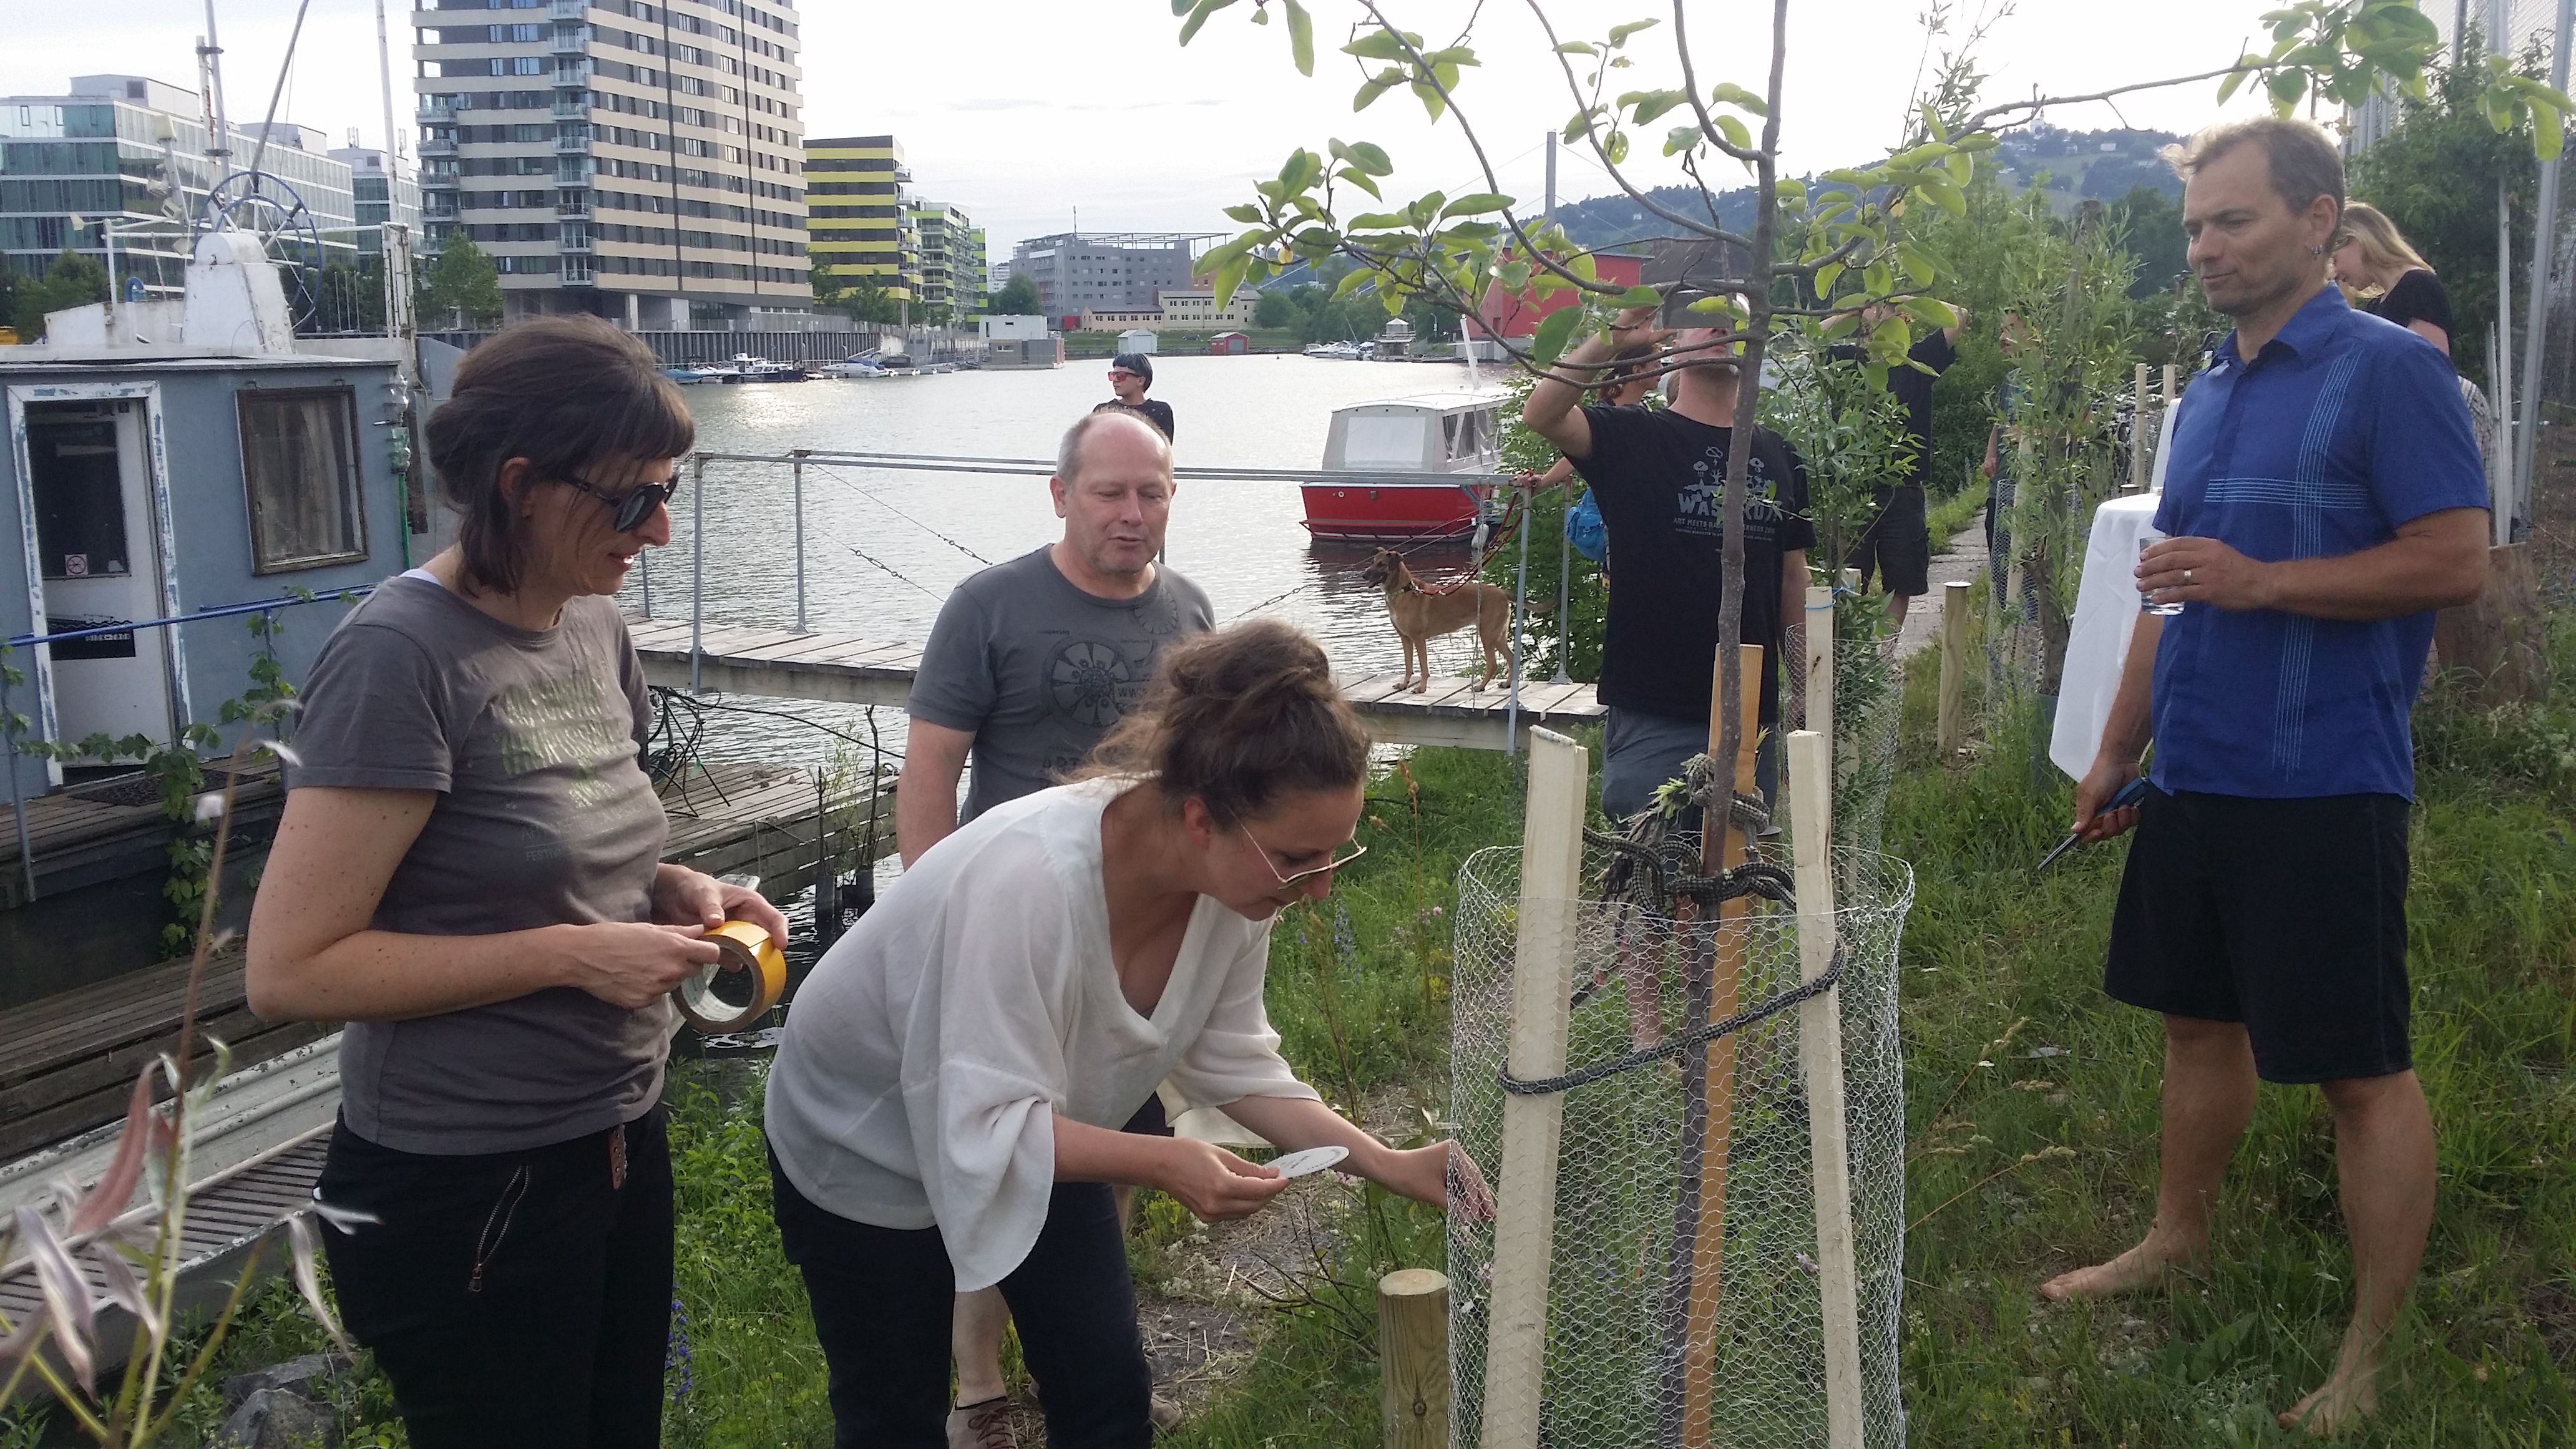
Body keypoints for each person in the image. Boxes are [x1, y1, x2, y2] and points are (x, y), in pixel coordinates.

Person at [245, 316, 791, 1448]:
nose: (662, 526)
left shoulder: (590, 622)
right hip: (464, 1187)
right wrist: (568, 955)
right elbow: (291, 967)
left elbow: (563, 847)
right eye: (633, 498)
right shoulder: (401, 655)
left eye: (668, 489)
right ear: (522, 485)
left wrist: (672, 886)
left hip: (615, 1136)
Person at [766, 620, 1490, 1449]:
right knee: (895, 1415)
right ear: (1199, 819)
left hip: (1048, 1122)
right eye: (1301, 857)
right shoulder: (1030, 881)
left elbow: (1235, 1064)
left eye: (1335, 855)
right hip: (865, 1139)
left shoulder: (1243, 886)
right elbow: (980, 1120)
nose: (1320, 887)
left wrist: (1388, 1163)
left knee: (1106, 1389)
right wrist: (1164, 1159)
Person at [2047, 116, 2487, 1435]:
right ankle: (2177, 1235)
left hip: (2326, 778)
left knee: (2358, 1070)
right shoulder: (2212, 390)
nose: (2204, 247)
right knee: (2195, 1021)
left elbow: (2456, 559)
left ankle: (2367, 1350)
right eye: (2194, 225)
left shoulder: (2390, 372)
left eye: (2230, 220)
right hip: (2198, 772)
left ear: (2318, 220)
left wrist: (2267, 583)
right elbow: (2171, 592)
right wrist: (2117, 748)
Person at [895, 404, 1211, 1445]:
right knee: (996, 1157)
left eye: (1151, 492)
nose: (1131, 513)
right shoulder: (989, 605)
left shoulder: (1189, 611)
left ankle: (1085, 1338)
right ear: (1061, 494)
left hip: (1138, 941)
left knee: (1120, 1138)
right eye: (1109, 491)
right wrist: (930, 914)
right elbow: (932, 769)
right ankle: (979, 1381)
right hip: (1016, 934)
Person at [1521, 306, 1815, 826]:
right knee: (1650, 884)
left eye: (1734, 315)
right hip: (1653, 709)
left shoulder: (1780, 456)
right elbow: (1542, 413)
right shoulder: (1633, 437)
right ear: (1674, 346)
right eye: (1705, 315)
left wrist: (1805, 690)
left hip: (1752, 715)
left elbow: (1794, 579)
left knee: (1740, 891)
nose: (1721, 323)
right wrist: (1613, 339)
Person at [1835, 306, 1960, 626]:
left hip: (1903, 490)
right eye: (1874, 310)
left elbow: (1958, 316)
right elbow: (1809, 338)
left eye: (1888, 312)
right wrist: (1853, 310)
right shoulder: (1848, 360)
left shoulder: (1916, 362)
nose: (1879, 316)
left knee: (1901, 581)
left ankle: (1885, 657)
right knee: (1848, 579)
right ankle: (1852, 656)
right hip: (1855, 490)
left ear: (1903, 319)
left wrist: (1903, 300)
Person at [1538, 343, 1657, 586]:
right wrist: (1543, 481)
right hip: (1612, 521)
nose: (1662, 371)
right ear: (1638, 370)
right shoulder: (1607, 414)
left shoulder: (1645, 413)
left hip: (1635, 522)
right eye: (1657, 365)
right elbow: (1574, 454)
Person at [2329, 202, 2453, 357]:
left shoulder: (2418, 288)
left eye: (2335, 259)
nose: (2335, 273)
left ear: (2356, 241)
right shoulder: (2376, 305)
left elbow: (2431, 367)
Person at [1093, 352, 1175, 441]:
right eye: (1113, 375)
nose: (1115, 380)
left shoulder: (1160, 411)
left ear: (1140, 381)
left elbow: (1164, 450)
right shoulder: (1103, 411)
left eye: (1121, 376)